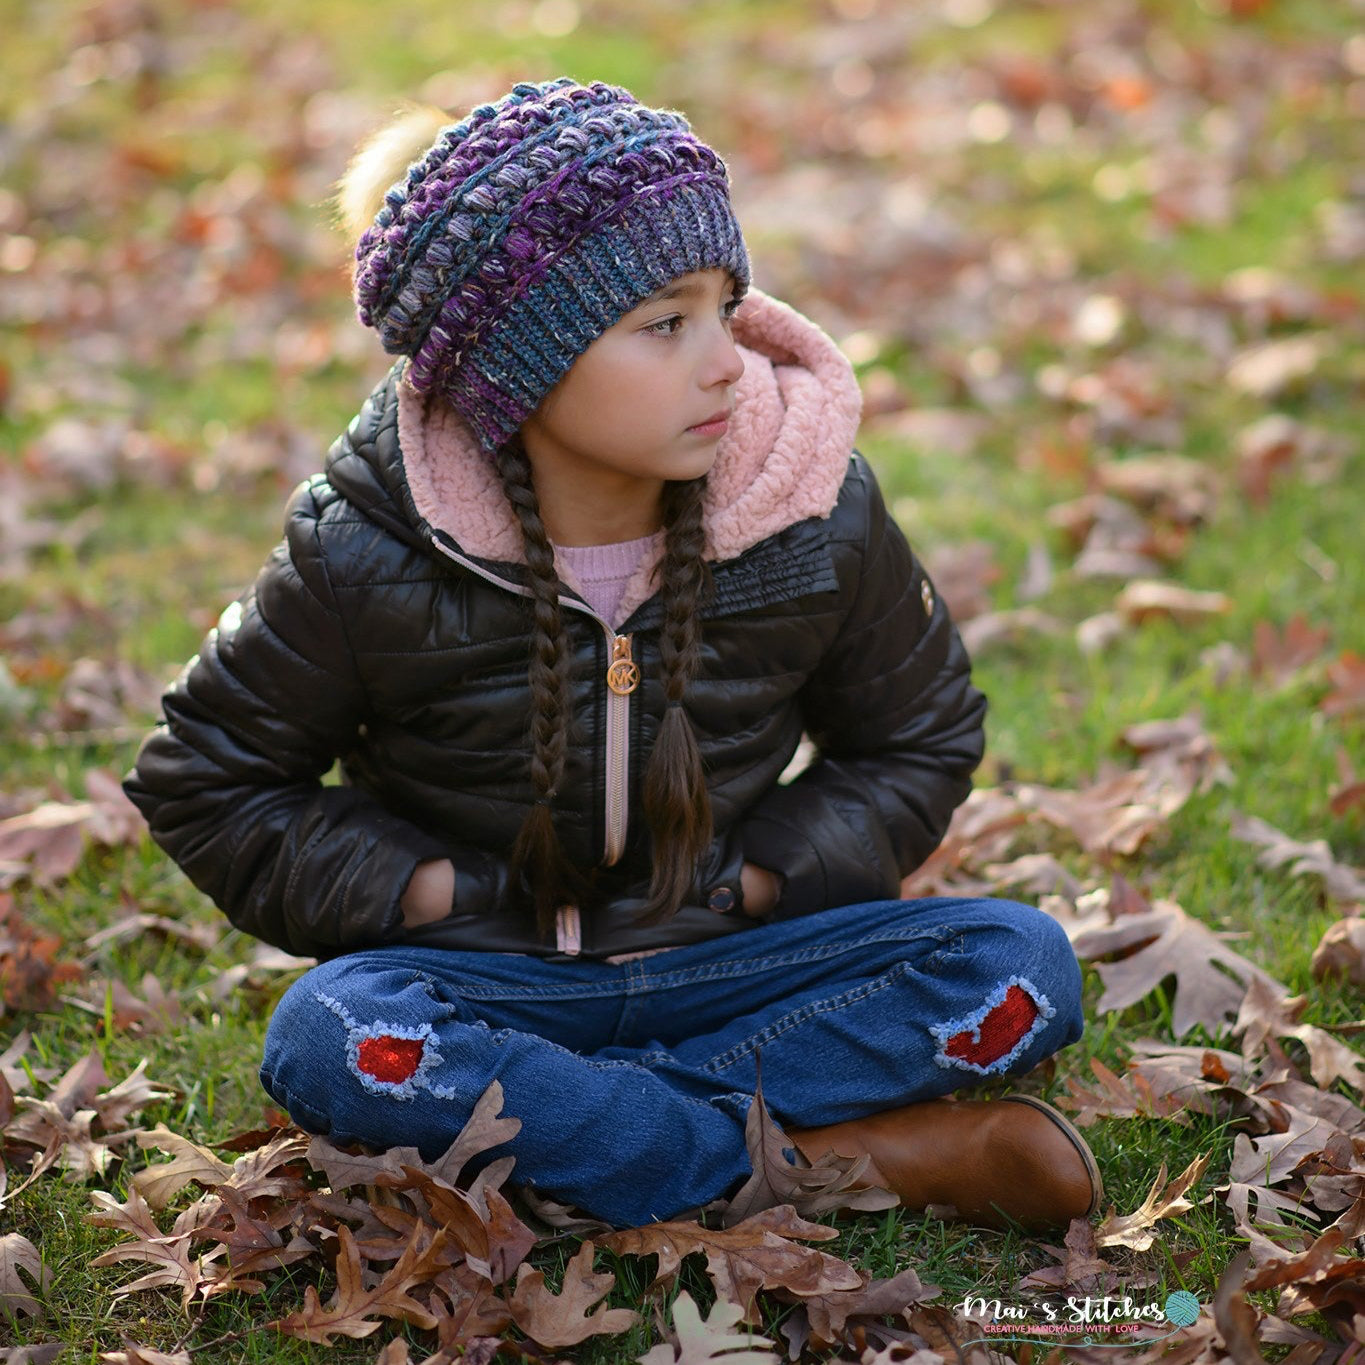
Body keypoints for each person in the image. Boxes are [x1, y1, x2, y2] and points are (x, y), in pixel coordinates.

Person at [125, 76, 1100, 1232]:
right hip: (496, 978)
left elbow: (917, 733)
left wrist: (762, 878)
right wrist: (428, 889)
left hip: (733, 956)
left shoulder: (809, 511)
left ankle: (609, 1136)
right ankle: (836, 1160)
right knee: (338, 1037)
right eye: (664, 324)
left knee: (1017, 964)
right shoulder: (367, 548)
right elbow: (209, 775)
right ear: (517, 368)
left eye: (725, 310)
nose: (727, 361)